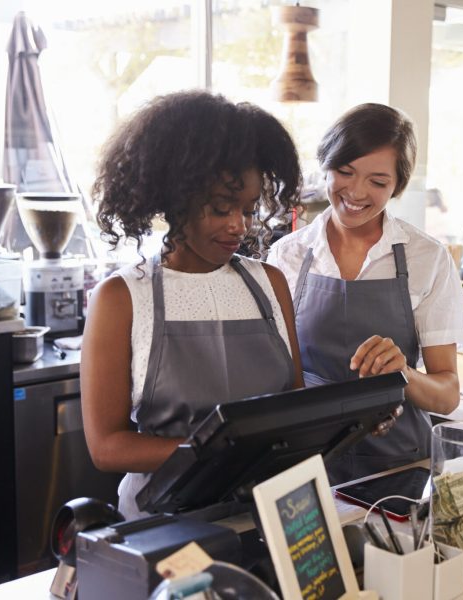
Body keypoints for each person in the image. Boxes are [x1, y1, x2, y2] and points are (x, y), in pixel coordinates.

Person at [81, 91, 305, 520]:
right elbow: (107, 446)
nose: (239, 225)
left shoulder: (269, 283)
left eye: (248, 209)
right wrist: (218, 454)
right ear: (177, 198)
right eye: (222, 209)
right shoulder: (122, 298)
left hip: (265, 514)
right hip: (162, 524)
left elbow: (292, 409)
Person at [267, 103, 463, 483]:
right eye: (344, 172)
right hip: (307, 463)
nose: (356, 192)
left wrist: (403, 375)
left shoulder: (428, 258)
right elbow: (274, 378)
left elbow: (447, 394)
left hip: (399, 464)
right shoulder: (287, 255)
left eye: (377, 182)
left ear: (397, 186)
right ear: (325, 165)